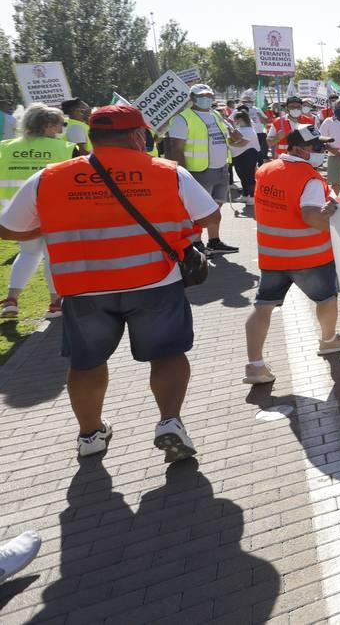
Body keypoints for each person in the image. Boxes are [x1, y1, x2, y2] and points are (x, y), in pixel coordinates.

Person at [0, 104, 219, 461]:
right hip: (155, 282)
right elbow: (210, 215)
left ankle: (90, 435)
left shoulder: (49, 177)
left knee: (86, 364)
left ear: (91, 136)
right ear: (137, 135)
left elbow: (10, 228)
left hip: (84, 288)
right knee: (167, 356)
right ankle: (169, 423)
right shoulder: (167, 173)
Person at [242, 124, 340, 385]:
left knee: (263, 306)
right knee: (326, 299)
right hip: (309, 256)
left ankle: (255, 365)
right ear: (300, 150)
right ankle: (328, 340)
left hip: (273, 255)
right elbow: (311, 214)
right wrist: (339, 229)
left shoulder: (266, 169)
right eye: (318, 148)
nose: (322, 152)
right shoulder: (309, 177)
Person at [0, 104, 75, 319]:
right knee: (53, 256)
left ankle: (11, 300)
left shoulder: (4, 147)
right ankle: (56, 303)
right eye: (62, 123)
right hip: (53, 211)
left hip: (17, 214)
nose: (63, 128)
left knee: (29, 253)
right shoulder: (65, 149)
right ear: (49, 126)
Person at [165, 84, 248, 255]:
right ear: (193, 98)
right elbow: (176, 148)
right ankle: (196, 242)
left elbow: (227, 139)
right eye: (202, 96)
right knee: (197, 209)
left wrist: (234, 133)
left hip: (221, 168)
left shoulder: (216, 115)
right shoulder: (183, 118)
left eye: (209, 95)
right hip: (197, 171)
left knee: (216, 207)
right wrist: (182, 175)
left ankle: (214, 241)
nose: (207, 98)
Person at [230, 108, 261, 207]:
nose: (235, 121)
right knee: (242, 177)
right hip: (238, 156)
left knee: (249, 177)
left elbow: (242, 144)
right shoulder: (239, 129)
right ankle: (245, 195)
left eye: (236, 119)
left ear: (241, 119)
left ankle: (252, 196)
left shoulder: (249, 130)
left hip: (248, 155)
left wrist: (229, 143)